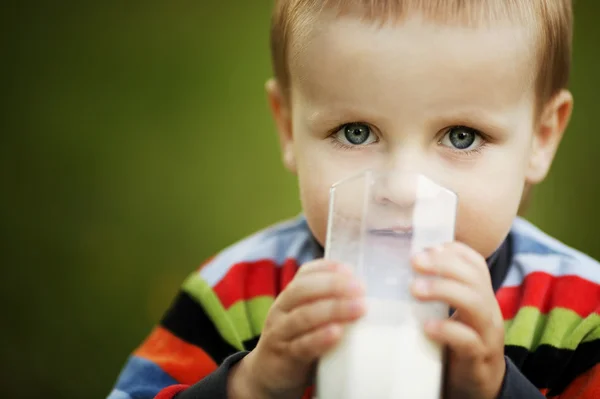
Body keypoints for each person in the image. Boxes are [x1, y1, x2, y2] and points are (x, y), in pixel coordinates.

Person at [107, 1, 600, 398]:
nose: (403, 190)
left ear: (541, 137)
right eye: (357, 132)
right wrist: (248, 385)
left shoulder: (580, 315)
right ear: (288, 126)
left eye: (461, 136)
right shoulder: (234, 298)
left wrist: (499, 389)